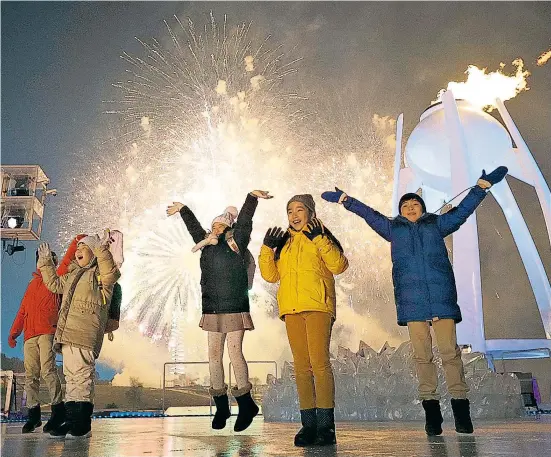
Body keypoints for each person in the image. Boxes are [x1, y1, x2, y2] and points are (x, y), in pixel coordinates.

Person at [321, 166, 508, 436]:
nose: (410, 207)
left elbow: (462, 211)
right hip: (412, 304)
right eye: (406, 205)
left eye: (415, 204)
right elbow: (369, 215)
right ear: (400, 211)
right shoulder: (392, 229)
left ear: (422, 208)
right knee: (422, 358)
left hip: (442, 300)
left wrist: (480, 188)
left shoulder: (438, 224)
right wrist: (345, 200)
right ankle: (432, 415)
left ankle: (461, 412)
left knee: (450, 356)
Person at [166, 190, 271, 432]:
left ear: (228, 227)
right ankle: (221, 405)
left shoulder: (237, 242)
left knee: (235, 353)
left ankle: (246, 404)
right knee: (213, 356)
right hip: (212, 307)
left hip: (234, 307)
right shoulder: (205, 245)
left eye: (220, 225)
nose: (216, 228)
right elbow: (194, 228)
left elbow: (245, 221)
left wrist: (251, 198)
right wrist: (183, 208)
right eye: (214, 224)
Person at [258, 194, 349, 446]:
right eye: (290, 211)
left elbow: (339, 265)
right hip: (292, 309)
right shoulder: (284, 241)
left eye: (300, 210)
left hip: (318, 306)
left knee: (319, 365)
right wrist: (267, 248)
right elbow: (270, 275)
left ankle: (326, 426)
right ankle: (308, 425)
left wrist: (319, 239)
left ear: (310, 212)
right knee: (301, 368)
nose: (294, 215)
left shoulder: (321, 235)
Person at [38, 230, 120, 438]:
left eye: (84, 248)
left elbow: (112, 273)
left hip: (85, 332)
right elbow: (54, 284)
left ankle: (82, 425)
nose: (78, 251)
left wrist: (103, 250)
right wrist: (46, 263)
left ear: (94, 252)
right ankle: (73, 421)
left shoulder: (99, 276)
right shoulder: (74, 274)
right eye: (77, 248)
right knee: (71, 379)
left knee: (82, 378)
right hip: (68, 333)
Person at [8, 234, 85, 434]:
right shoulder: (31, 285)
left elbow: (68, 260)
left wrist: (75, 243)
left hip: (47, 332)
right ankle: (33, 415)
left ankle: (57, 408)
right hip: (30, 336)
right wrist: (14, 333)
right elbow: (22, 311)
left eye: (49, 260)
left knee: (47, 370)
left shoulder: (56, 277)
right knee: (31, 374)